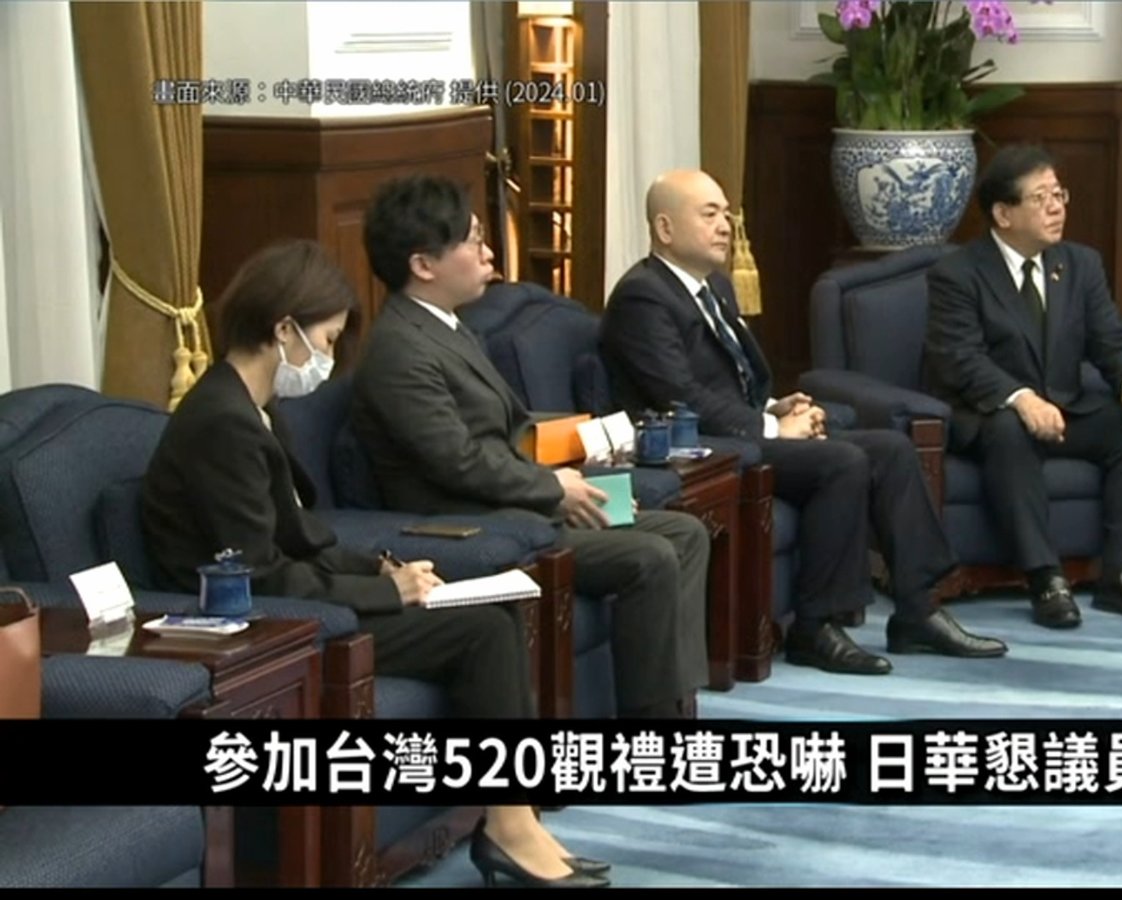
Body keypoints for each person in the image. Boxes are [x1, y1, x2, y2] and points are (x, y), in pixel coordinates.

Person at [139, 240, 608, 888]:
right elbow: (260, 573)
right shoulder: (222, 422)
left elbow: (301, 537)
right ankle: (509, 824)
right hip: (258, 628)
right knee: (481, 633)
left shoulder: (252, 408)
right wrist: (389, 595)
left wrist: (383, 569)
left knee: (492, 613)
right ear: (284, 329)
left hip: (291, 601)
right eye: (327, 340)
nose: (328, 361)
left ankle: (514, 817)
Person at [599, 169, 1008, 678]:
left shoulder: (714, 287)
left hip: (740, 430)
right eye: (709, 214)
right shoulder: (643, 297)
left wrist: (775, 407)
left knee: (891, 448)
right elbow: (679, 396)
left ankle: (918, 609)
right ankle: (816, 626)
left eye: (726, 213)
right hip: (696, 448)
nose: (725, 225)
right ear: (665, 227)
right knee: (842, 461)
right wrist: (771, 429)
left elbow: (732, 382)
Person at [348, 174, 709, 719]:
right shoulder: (400, 350)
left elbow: (508, 432)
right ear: (423, 264)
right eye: (472, 240)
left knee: (684, 531)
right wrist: (552, 490)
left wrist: (583, 485)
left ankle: (679, 704)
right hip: (470, 522)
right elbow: (458, 461)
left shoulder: (448, 327)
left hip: (516, 500)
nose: (488, 252)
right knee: (650, 555)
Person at [923, 144, 1122, 630]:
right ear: (1003, 214)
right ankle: (1045, 577)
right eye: (1040, 198)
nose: (1056, 207)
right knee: (1007, 428)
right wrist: (1022, 399)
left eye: (1059, 194)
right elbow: (960, 358)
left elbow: (1111, 336)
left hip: (1065, 409)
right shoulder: (957, 274)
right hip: (992, 413)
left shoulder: (1080, 264)